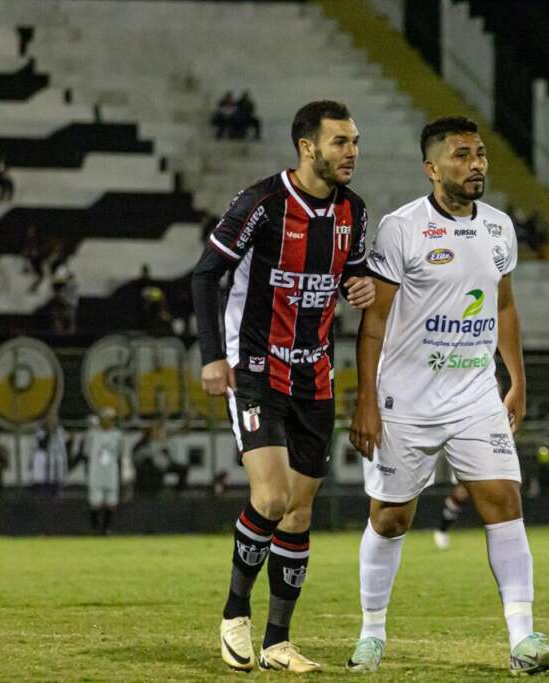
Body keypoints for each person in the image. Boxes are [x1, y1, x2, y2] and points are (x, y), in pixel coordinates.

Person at [346, 117, 549, 675]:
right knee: (392, 517)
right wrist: (366, 401)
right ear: (432, 168)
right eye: (462, 155)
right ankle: (372, 633)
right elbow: (373, 323)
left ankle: (523, 639)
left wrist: (514, 378)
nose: (476, 165)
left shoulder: (499, 228)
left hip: (474, 393)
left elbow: (505, 306)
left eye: (481, 154)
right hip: (407, 398)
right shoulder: (402, 229)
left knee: (503, 501)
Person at [191, 100, 375, 673]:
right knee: (269, 498)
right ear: (307, 147)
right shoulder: (262, 204)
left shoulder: (354, 211)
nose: (351, 152)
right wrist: (212, 358)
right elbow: (205, 274)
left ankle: (278, 640)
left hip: (315, 376)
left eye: (354, 141)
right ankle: (233, 616)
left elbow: (350, 275)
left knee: (297, 514)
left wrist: (358, 288)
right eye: (340, 142)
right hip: (255, 369)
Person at [82, 407, 124, 534]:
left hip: (111, 472)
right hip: (96, 471)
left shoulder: (117, 435)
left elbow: (120, 454)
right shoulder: (92, 435)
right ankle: (94, 527)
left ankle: (107, 528)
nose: (107, 422)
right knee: (95, 501)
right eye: (105, 419)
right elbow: (87, 454)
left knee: (111, 501)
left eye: (110, 419)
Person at [132, 421, 188, 494]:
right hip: (152, 468)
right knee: (156, 471)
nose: (156, 433)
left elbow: (179, 432)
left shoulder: (160, 440)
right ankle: (154, 492)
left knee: (183, 469)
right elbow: (138, 458)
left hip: (165, 464)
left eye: (157, 431)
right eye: (154, 431)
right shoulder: (143, 443)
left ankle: (179, 491)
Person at [31, 412, 69, 494]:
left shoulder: (59, 429)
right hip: (46, 458)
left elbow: (63, 442)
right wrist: (48, 430)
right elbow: (41, 443)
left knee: (57, 477)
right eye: (51, 418)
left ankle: (56, 489)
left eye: (55, 418)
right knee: (44, 479)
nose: (53, 420)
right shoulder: (41, 429)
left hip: (57, 458)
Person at [433, 481, 470, 550]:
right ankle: (441, 532)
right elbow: (459, 493)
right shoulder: (459, 488)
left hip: (456, 504)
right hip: (452, 502)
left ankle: (442, 532)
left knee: (451, 518)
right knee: (448, 518)